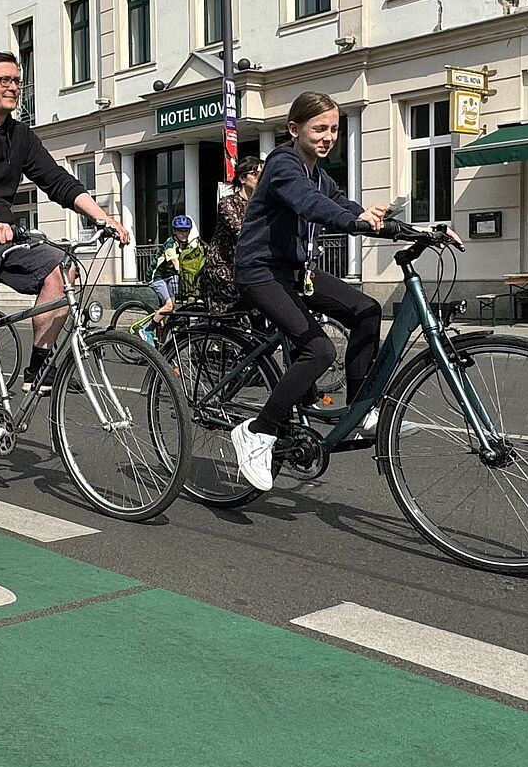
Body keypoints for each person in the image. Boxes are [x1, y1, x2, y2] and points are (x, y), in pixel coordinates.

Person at [0, 50, 129, 495]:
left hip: (0, 236)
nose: (14, 87)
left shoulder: (19, 136)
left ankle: (38, 367)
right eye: (5, 80)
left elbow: (57, 180)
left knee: (59, 270)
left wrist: (102, 217)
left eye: (18, 80)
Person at [230, 92, 448, 492]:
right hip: (260, 272)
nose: (329, 136)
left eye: (334, 128)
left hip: (296, 272)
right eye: (319, 129)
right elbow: (310, 205)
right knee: (320, 350)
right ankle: (258, 431)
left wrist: (413, 229)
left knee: (366, 309)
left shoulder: (318, 172)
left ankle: (362, 409)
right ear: (294, 130)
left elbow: (338, 202)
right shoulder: (283, 164)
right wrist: (355, 222)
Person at [200, 156, 262, 315]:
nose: (260, 179)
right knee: (255, 297)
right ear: (242, 178)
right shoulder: (227, 203)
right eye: (255, 174)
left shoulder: (260, 205)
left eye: (262, 174)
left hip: (247, 266)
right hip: (223, 268)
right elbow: (241, 232)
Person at [148, 215, 200, 310]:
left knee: (173, 305)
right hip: (157, 277)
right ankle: (151, 325)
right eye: (180, 231)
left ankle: (164, 324)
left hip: (168, 276)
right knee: (169, 306)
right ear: (175, 231)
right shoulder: (170, 244)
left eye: (186, 231)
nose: (184, 234)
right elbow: (176, 263)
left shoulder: (185, 244)